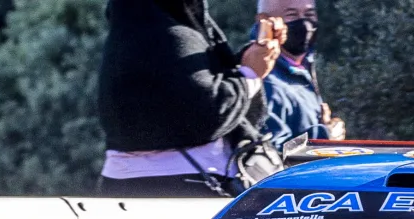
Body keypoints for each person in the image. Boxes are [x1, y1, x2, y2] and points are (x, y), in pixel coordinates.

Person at [97, 0, 283, 197]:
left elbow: (184, 92)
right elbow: (208, 111)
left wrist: (252, 61)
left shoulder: (132, 32)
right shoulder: (169, 36)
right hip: (183, 189)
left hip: (132, 188)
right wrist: (250, 74)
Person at [255, 0, 345, 149]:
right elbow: (269, 153)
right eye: (292, 15)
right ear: (264, 20)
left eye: (309, 14)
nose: (304, 23)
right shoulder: (263, 80)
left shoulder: (302, 68)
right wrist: (323, 136)